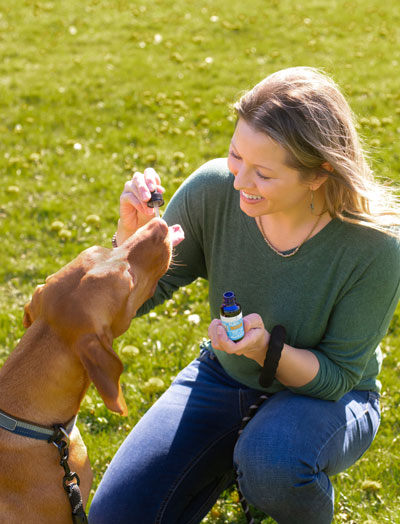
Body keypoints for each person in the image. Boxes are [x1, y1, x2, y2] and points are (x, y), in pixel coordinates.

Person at [89, 67, 400, 524]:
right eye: (236, 156)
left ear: (319, 174)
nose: (239, 182)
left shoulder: (375, 246)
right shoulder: (213, 189)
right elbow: (146, 295)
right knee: (115, 517)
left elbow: (336, 376)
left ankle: (270, 474)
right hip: (225, 376)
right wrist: (129, 244)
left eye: (263, 174)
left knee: (272, 462)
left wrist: (265, 350)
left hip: (330, 397)